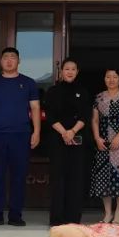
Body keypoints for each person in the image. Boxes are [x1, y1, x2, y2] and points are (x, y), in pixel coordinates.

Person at [0, 47, 41, 227]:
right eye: (5, 57)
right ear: (1, 61)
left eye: (13, 57)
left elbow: (35, 108)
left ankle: (15, 215)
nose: (9, 60)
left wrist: (36, 131)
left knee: (18, 176)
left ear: (18, 61)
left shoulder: (28, 83)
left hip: (21, 134)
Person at [44, 58, 93, 226]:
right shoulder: (53, 91)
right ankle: (57, 218)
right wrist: (64, 132)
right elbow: (50, 115)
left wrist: (72, 131)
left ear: (77, 72)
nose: (70, 72)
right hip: (57, 139)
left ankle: (73, 218)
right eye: (67, 69)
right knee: (58, 179)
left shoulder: (83, 92)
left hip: (77, 139)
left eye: (73, 69)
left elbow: (85, 115)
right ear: (61, 71)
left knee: (76, 178)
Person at [90, 68, 119, 224]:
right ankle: (108, 213)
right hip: (103, 142)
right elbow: (95, 120)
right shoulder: (98, 97)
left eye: (114, 77)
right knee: (103, 176)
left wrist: (118, 138)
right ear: (104, 79)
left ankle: (118, 213)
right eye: (108, 77)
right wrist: (97, 137)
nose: (111, 80)